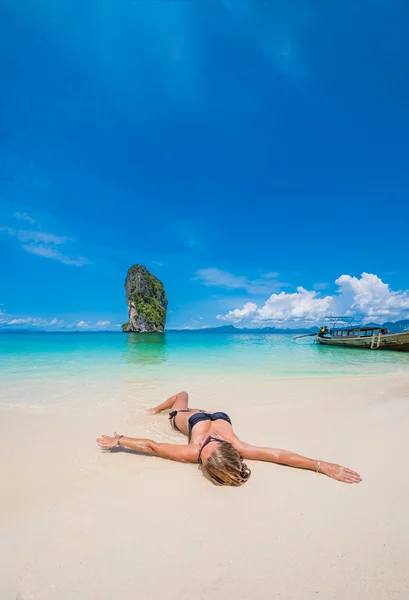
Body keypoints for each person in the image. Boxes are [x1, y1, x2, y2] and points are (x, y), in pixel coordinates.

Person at [96, 391, 361, 487]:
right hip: (208, 414)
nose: (204, 443)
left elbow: (152, 447)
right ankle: (153, 409)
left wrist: (121, 440)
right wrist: (322, 465)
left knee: (180, 396)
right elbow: (280, 456)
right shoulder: (239, 446)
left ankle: (158, 411)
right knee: (184, 392)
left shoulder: (193, 452)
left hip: (185, 415)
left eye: (203, 450)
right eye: (212, 444)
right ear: (227, 447)